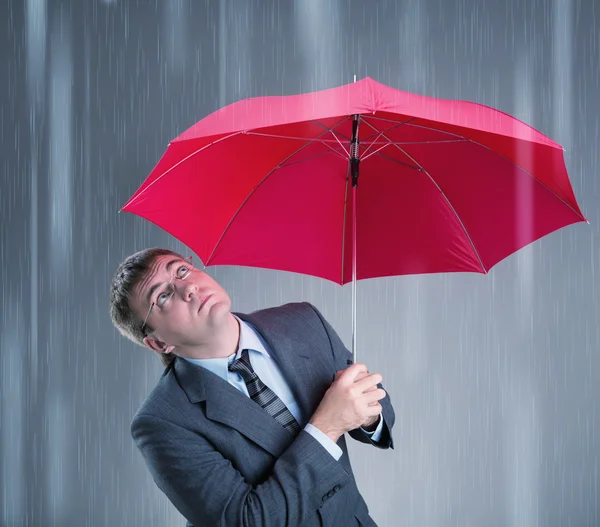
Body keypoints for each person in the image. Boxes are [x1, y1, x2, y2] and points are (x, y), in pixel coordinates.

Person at [109, 248, 395, 526]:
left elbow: (382, 413)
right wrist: (328, 427)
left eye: (182, 270)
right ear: (159, 343)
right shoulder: (162, 422)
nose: (188, 289)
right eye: (162, 296)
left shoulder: (303, 321)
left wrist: (368, 413)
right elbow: (247, 520)